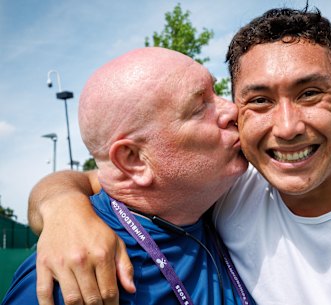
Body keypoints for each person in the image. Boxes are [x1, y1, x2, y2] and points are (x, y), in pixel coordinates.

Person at [24, 6, 331, 305]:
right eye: (259, 100)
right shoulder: (228, 192)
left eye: (311, 93)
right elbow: (100, 179)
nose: (288, 125)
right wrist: (64, 211)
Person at [2, 47, 255, 305]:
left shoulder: (224, 195)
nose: (232, 110)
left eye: (215, 91)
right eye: (199, 107)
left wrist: (61, 202)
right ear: (133, 160)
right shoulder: (69, 278)